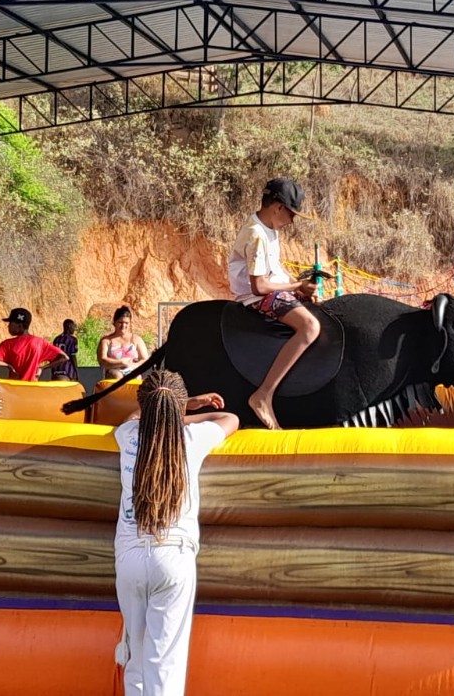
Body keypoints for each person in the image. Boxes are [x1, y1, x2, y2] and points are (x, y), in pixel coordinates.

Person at [113, 369, 239, 696]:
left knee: (137, 659)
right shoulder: (191, 440)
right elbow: (230, 418)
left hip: (129, 559)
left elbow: (131, 417)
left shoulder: (128, 436)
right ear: (179, 407)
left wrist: (174, 407)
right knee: (164, 665)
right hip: (173, 555)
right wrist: (186, 410)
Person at [228, 177, 319, 429]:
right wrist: (295, 287)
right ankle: (263, 394)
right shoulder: (256, 234)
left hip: (271, 289)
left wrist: (300, 286)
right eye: (292, 214)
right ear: (278, 207)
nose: (292, 221)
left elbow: (276, 269)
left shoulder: (269, 229)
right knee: (310, 327)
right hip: (256, 297)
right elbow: (259, 286)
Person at [0, 307, 68, 381]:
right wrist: (42, 368)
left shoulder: (8, 344)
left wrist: (8, 366)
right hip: (32, 389)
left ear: (20, 326)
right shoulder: (40, 342)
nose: (8, 326)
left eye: (11, 323)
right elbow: (64, 357)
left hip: (14, 388)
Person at [98, 306, 149, 381]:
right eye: (120, 322)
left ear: (130, 323)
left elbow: (145, 359)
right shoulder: (106, 341)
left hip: (132, 371)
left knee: (135, 376)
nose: (123, 326)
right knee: (117, 375)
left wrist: (134, 365)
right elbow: (102, 360)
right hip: (114, 371)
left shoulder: (136, 339)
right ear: (114, 322)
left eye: (126, 323)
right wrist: (121, 362)